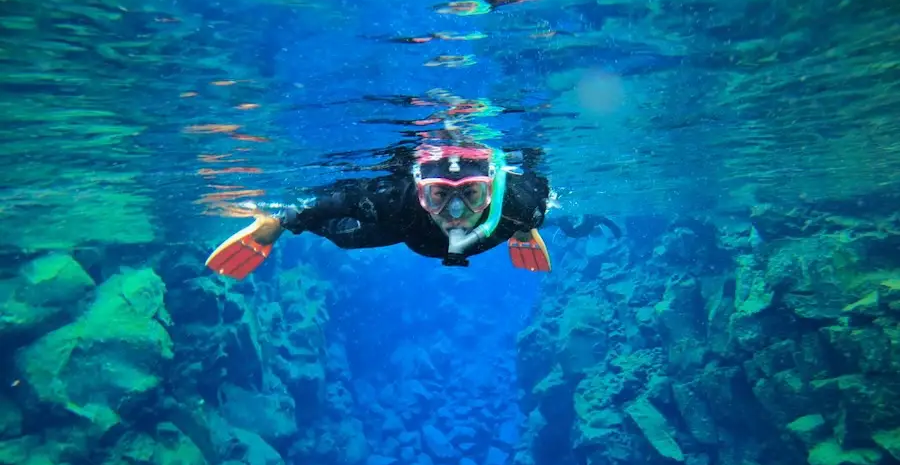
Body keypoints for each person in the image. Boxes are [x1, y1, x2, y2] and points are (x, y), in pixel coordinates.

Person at [205, 143, 620, 280]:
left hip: (447, 232)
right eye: (439, 194)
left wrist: (525, 228)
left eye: (472, 194)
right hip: (408, 231)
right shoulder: (395, 200)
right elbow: (326, 202)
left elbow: (537, 200)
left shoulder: (518, 204)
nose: (455, 210)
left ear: (491, 189)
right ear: (420, 192)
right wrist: (281, 221)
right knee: (347, 236)